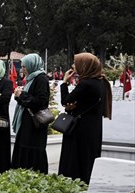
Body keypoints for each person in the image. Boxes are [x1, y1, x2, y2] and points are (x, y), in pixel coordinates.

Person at [58, 53, 112, 184]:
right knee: (88, 158)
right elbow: (85, 104)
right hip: (93, 128)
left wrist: (64, 82)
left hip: (80, 129)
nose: (73, 66)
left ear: (85, 66)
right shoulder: (100, 82)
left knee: (76, 158)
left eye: (76, 63)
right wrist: (72, 107)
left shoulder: (86, 84)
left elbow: (65, 100)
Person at [11, 54, 50, 174]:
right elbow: (26, 101)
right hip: (26, 122)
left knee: (32, 152)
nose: (22, 69)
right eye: (22, 66)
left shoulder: (41, 79)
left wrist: (21, 95)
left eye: (25, 66)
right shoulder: (31, 79)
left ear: (32, 65)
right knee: (23, 149)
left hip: (34, 125)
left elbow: (41, 102)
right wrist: (19, 95)